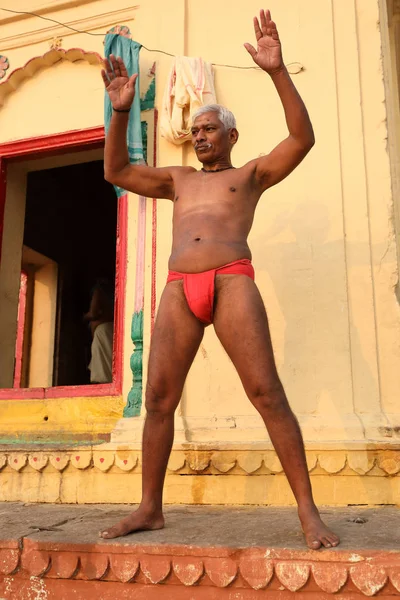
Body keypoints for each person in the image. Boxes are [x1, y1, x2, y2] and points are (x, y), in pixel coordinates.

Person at [100, 9, 340, 549]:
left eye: (209, 128)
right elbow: (116, 172)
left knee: (266, 392)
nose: (199, 135)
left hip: (232, 281)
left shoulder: (249, 175)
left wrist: (277, 71)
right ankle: (149, 507)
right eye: (195, 130)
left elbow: (302, 139)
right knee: (159, 397)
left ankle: (308, 513)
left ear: (231, 134)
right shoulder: (178, 179)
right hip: (179, 289)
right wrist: (120, 113)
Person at [84, 279, 114, 383]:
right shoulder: (112, 290)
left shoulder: (99, 290)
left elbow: (93, 313)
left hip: (104, 329)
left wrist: (82, 317)